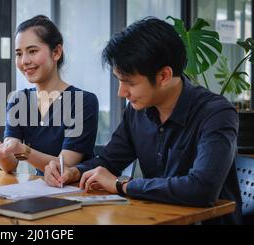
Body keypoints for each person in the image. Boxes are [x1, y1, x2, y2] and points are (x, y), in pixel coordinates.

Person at [44, 17, 242, 224]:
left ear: (164, 76)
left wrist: (122, 186)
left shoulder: (216, 113)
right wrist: (73, 172)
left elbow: (202, 189)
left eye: (129, 82)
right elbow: (109, 162)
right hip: (155, 219)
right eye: (119, 81)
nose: (121, 92)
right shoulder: (138, 110)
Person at [0, 15, 98, 176]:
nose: (24, 61)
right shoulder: (19, 101)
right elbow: (10, 165)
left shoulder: (83, 101)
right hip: (41, 191)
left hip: (77, 192)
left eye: (32, 51)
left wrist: (24, 151)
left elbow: (64, 166)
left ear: (56, 52)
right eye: (19, 54)